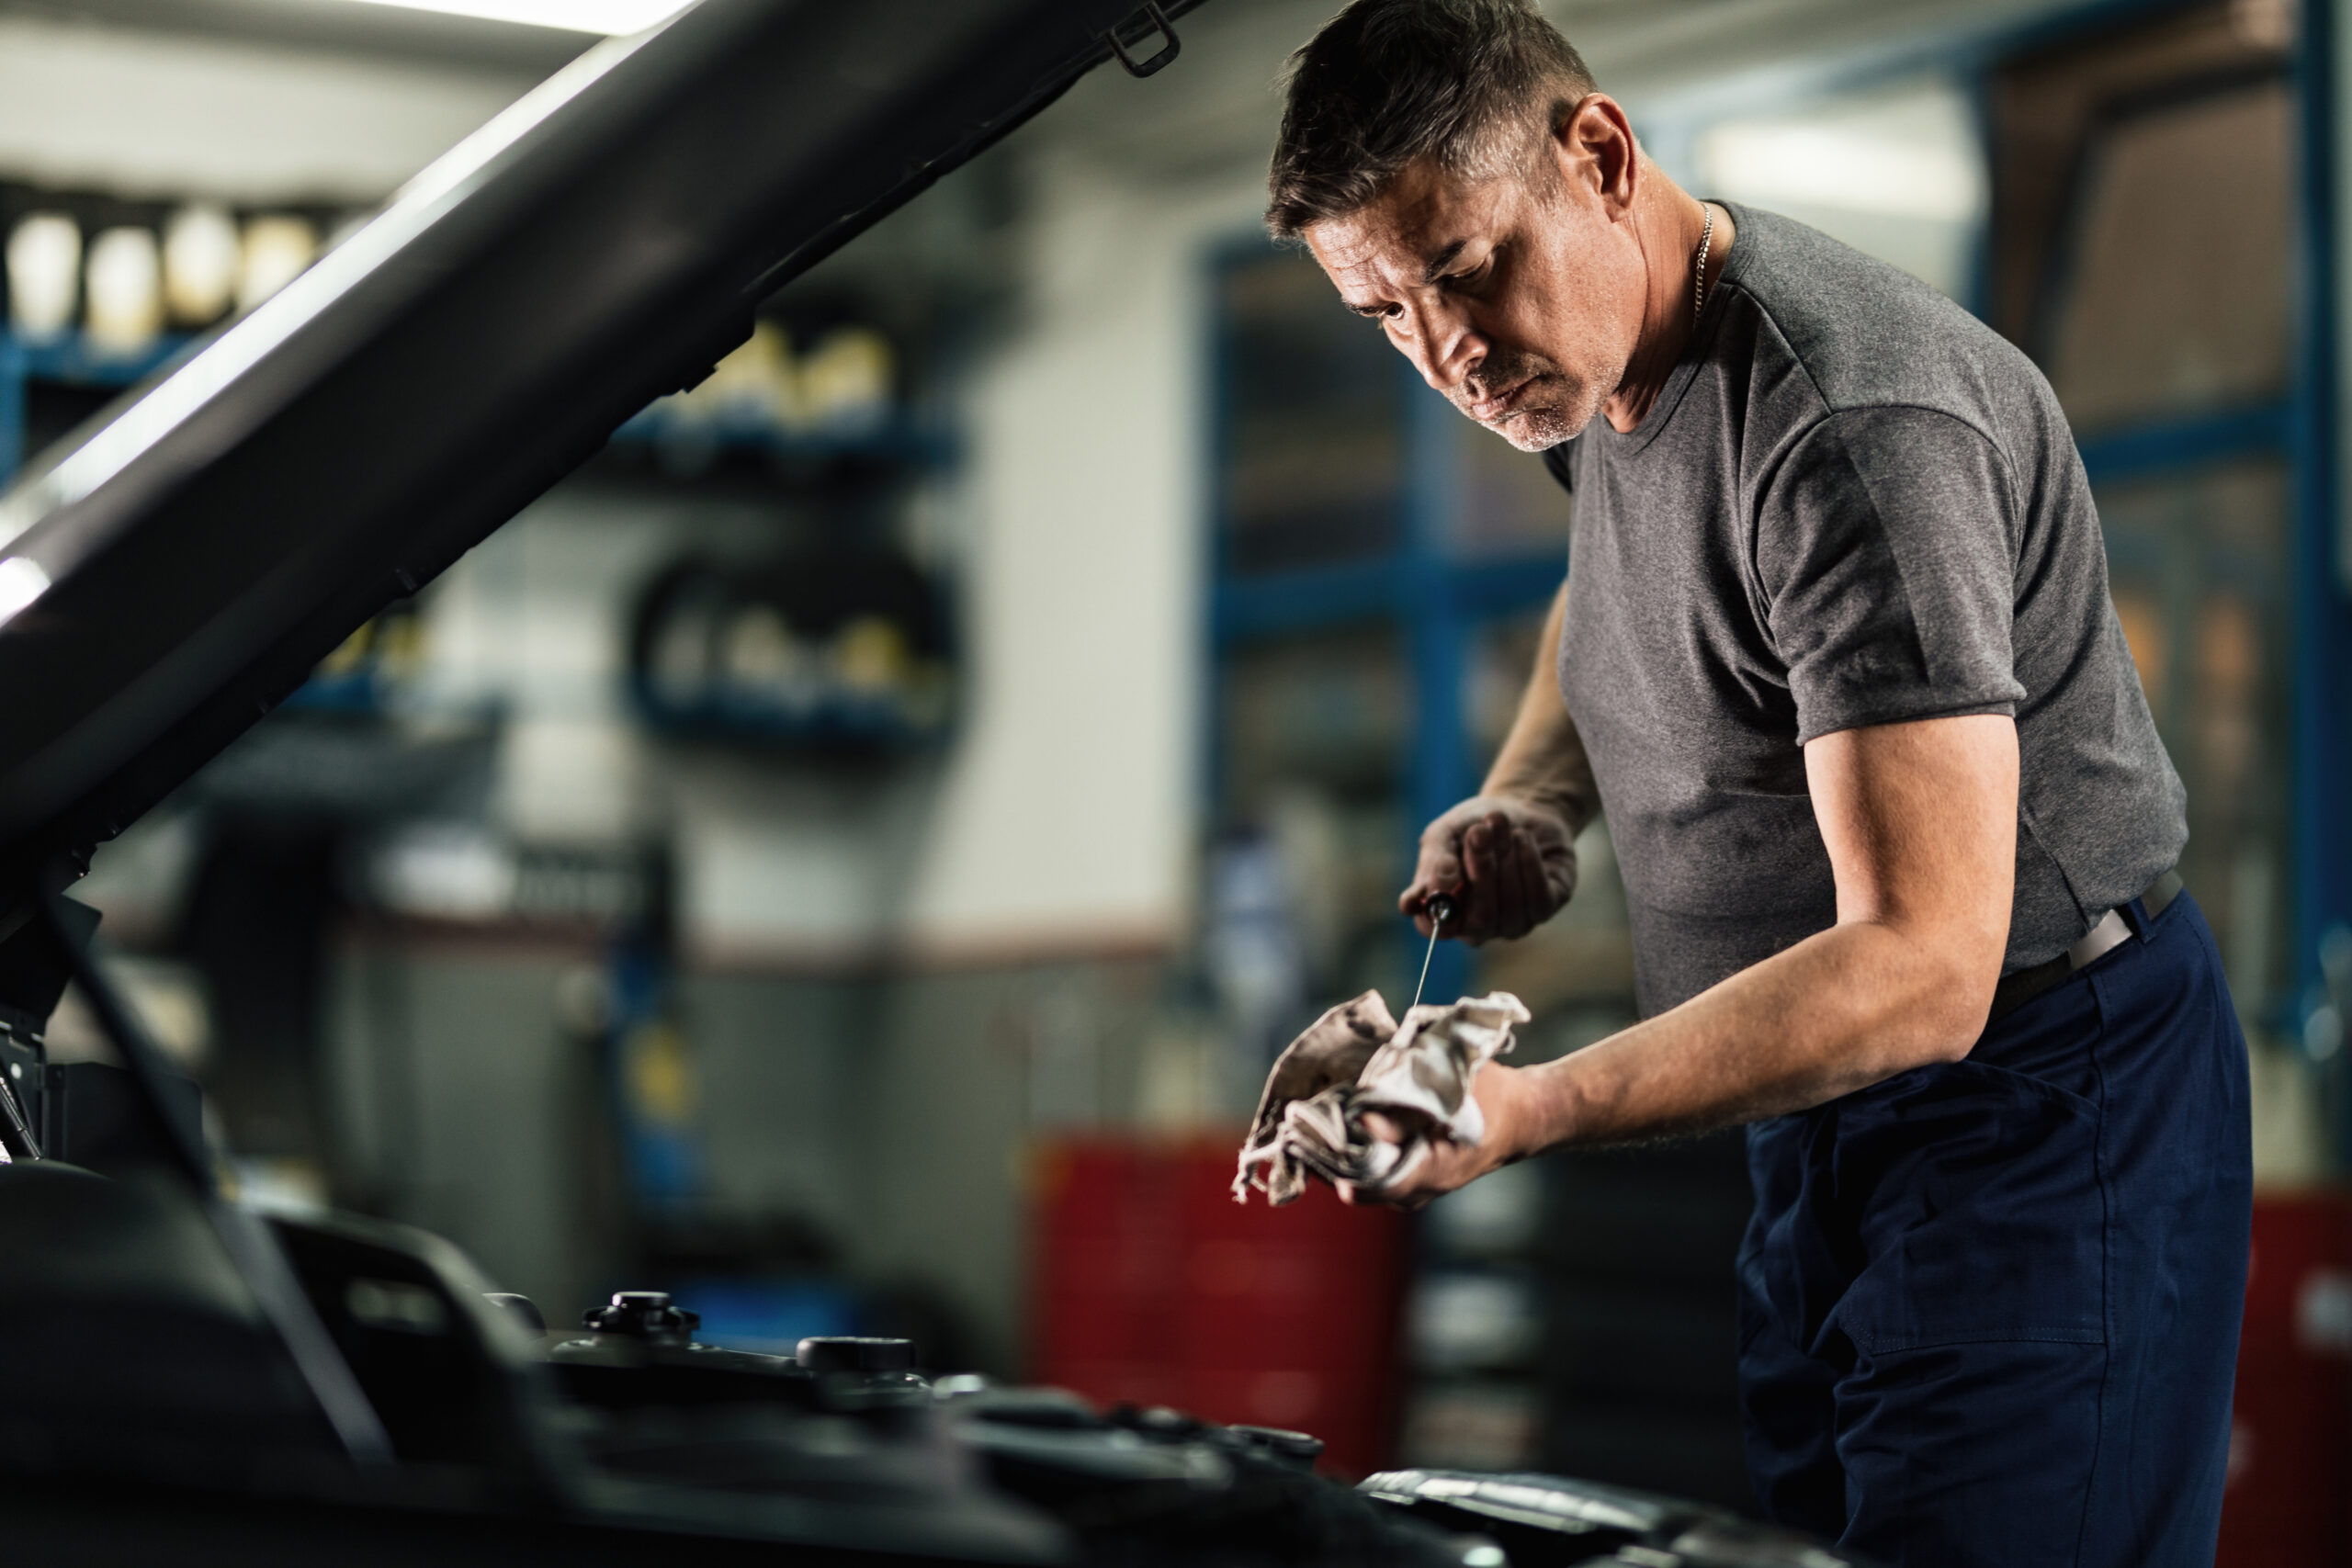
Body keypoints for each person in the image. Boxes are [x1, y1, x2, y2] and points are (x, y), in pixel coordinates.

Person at [1263, 3, 2253, 1563]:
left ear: (1599, 155)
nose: (1446, 355)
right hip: (1818, 1111)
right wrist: (1533, 796)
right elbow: (1611, 583)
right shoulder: (1595, 364)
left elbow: (1924, 966)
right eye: (1385, 312)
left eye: (1463, 270)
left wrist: (1529, 1105)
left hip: (2033, 1102)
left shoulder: (1850, 427)